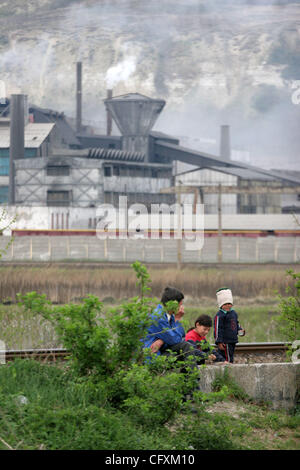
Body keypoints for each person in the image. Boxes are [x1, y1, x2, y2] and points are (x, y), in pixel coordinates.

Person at [141, 286, 199, 369]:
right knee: (186, 347)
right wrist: (178, 319)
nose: (181, 307)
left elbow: (182, 335)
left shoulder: (169, 316)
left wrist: (161, 341)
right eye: (180, 304)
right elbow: (175, 340)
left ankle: (189, 379)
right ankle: (193, 380)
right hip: (152, 357)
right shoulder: (158, 317)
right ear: (173, 304)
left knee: (187, 352)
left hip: (162, 350)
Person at [213, 287, 245, 363]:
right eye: (225, 304)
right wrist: (219, 342)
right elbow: (218, 329)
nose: (228, 306)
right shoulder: (219, 315)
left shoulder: (233, 313)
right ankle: (228, 369)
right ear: (221, 305)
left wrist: (240, 330)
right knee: (227, 357)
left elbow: (236, 323)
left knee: (230, 355)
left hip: (232, 340)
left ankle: (228, 367)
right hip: (225, 341)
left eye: (229, 304)